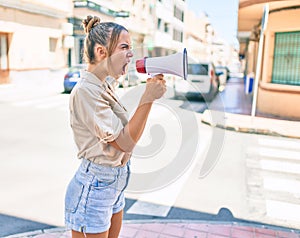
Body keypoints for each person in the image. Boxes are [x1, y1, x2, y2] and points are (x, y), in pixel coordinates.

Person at [64, 15, 166, 238]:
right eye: (125, 47)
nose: (131, 54)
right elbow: (123, 142)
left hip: (113, 183)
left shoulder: (103, 85)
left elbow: (111, 74)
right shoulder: (85, 92)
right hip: (95, 187)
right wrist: (148, 98)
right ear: (101, 52)